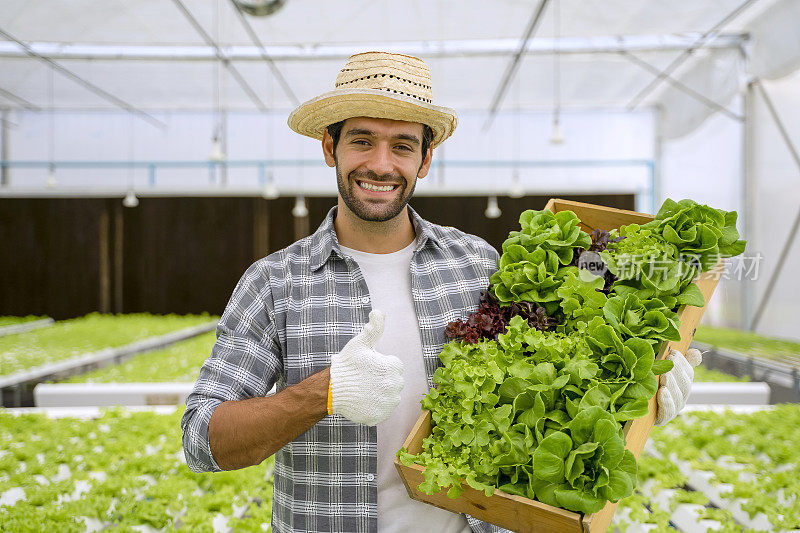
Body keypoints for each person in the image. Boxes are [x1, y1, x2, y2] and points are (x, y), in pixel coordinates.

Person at [181, 51, 700, 533]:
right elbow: (203, 440)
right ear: (329, 148)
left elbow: (564, 372)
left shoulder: (477, 264)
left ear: (426, 159)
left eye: (403, 145)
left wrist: (642, 391)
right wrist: (323, 393)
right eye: (362, 140)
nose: (381, 164)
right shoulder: (276, 282)